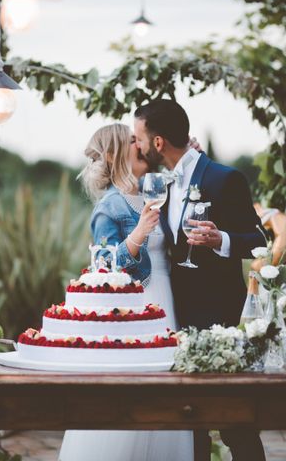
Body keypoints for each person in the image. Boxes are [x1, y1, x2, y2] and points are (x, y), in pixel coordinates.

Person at [133, 99, 267, 461]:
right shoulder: (158, 184)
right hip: (178, 318)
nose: (138, 146)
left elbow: (259, 242)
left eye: (140, 138)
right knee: (189, 425)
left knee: (236, 423)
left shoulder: (225, 178)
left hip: (219, 320)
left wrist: (220, 239)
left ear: (158, 142)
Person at [58, 123, 193, 461]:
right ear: (116, 154)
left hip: (168, 301)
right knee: (132, 397)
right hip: (133, 309)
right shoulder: (110, 207)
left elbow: (186, 181)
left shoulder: (154, 189)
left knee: (168, 390)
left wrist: (191, 154)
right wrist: (138, 235)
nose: (141, 146)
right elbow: (101, 268)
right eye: (134, 141)